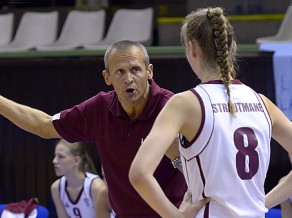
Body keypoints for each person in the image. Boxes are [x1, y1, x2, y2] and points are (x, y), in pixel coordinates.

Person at [129, 7, 292, 218]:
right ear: (231, 46)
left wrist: (176, 216)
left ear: (192, 48)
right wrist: (262, 203)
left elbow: (139, 174)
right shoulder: (262, 102)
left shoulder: (184, 103)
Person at [0, 40, 187, 217]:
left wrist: (178, 158)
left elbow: (205, 172)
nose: (128, 78)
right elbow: (44, 126)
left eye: (135, 70)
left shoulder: (171, 107)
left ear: (149, 72)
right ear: (107, 77)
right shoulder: (100, 108)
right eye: (120, 72)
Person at [51, 139, 112, 218]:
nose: (54, 161)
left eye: (61, 157)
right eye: (55, 156)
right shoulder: (56, 188)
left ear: (76, 160)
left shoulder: (96, 186)